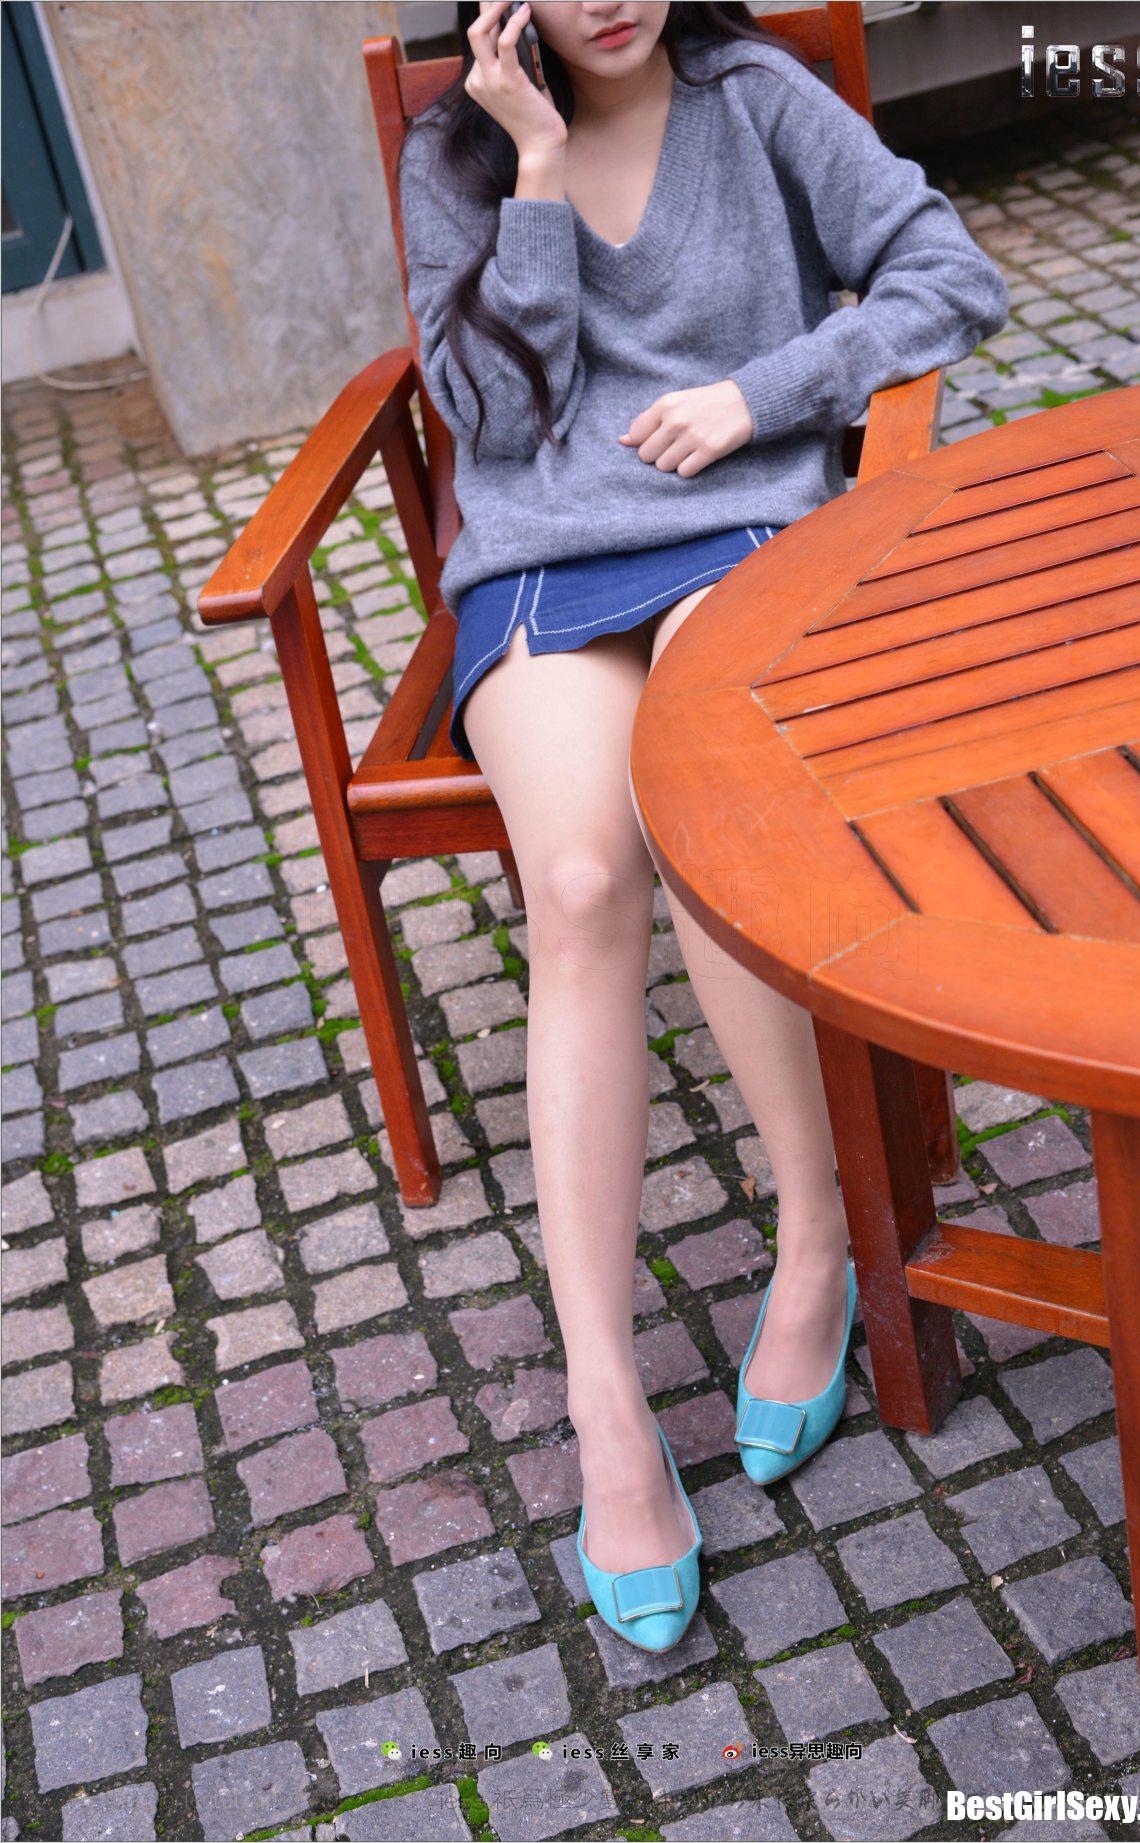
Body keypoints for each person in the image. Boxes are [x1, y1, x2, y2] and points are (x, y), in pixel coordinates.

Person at [399, 0, 1010, 1651]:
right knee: (577, 878)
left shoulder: (756, 97)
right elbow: (494, 421)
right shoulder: (456, 152)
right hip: (543, 554)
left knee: (696, 820)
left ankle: (816, 1240)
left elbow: (950, 273)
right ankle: (603, 1397)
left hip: (738, 526)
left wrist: (762, 393)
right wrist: (534, 170)